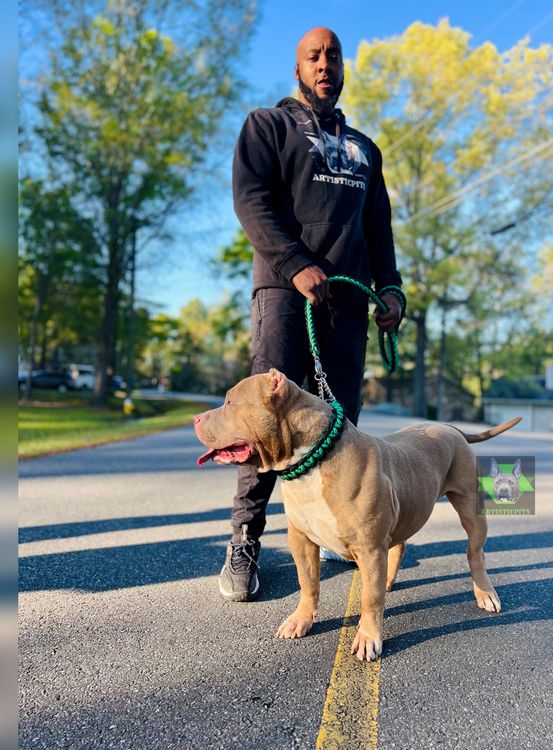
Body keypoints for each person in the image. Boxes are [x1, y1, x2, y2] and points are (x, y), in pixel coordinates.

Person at [218, 26, 404, 602]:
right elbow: (253, 203)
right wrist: (295, 262)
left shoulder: (365, 150)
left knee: (339, 428)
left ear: (343, 66)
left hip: (346, 306)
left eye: (333, 56)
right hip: (283, 295)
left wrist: (391, 288)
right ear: (297, 68)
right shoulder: (267, 127)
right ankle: (246, 539)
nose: (325, 64)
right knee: (263, 424)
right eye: (313, 56)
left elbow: (379, 230)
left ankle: (339, 533)